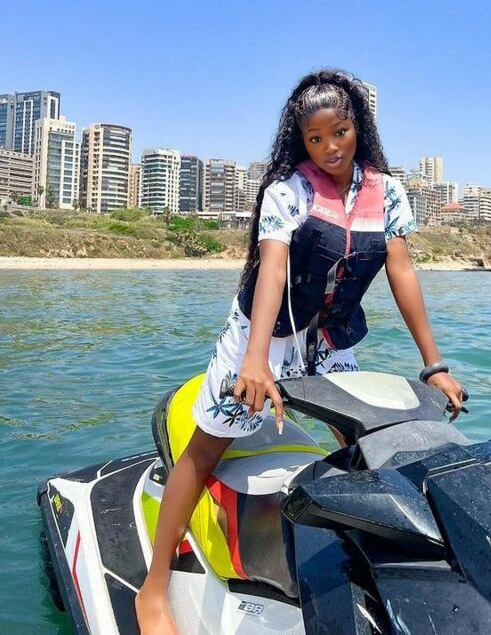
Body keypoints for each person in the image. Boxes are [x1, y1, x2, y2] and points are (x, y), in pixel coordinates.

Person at [135, 68, 464, 634]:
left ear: (358, 128)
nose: (330, 147)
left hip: (330, 338)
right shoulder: (288, 192)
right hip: (266, 335)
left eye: (340, 132)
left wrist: (433, 367)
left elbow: (402, 272)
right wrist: (255, 359)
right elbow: (272, 271)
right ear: (301, 141)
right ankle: (154, 588)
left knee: (364, 443)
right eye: (316, 138)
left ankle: (378, 573)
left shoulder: (387, 192)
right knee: (207, 448)